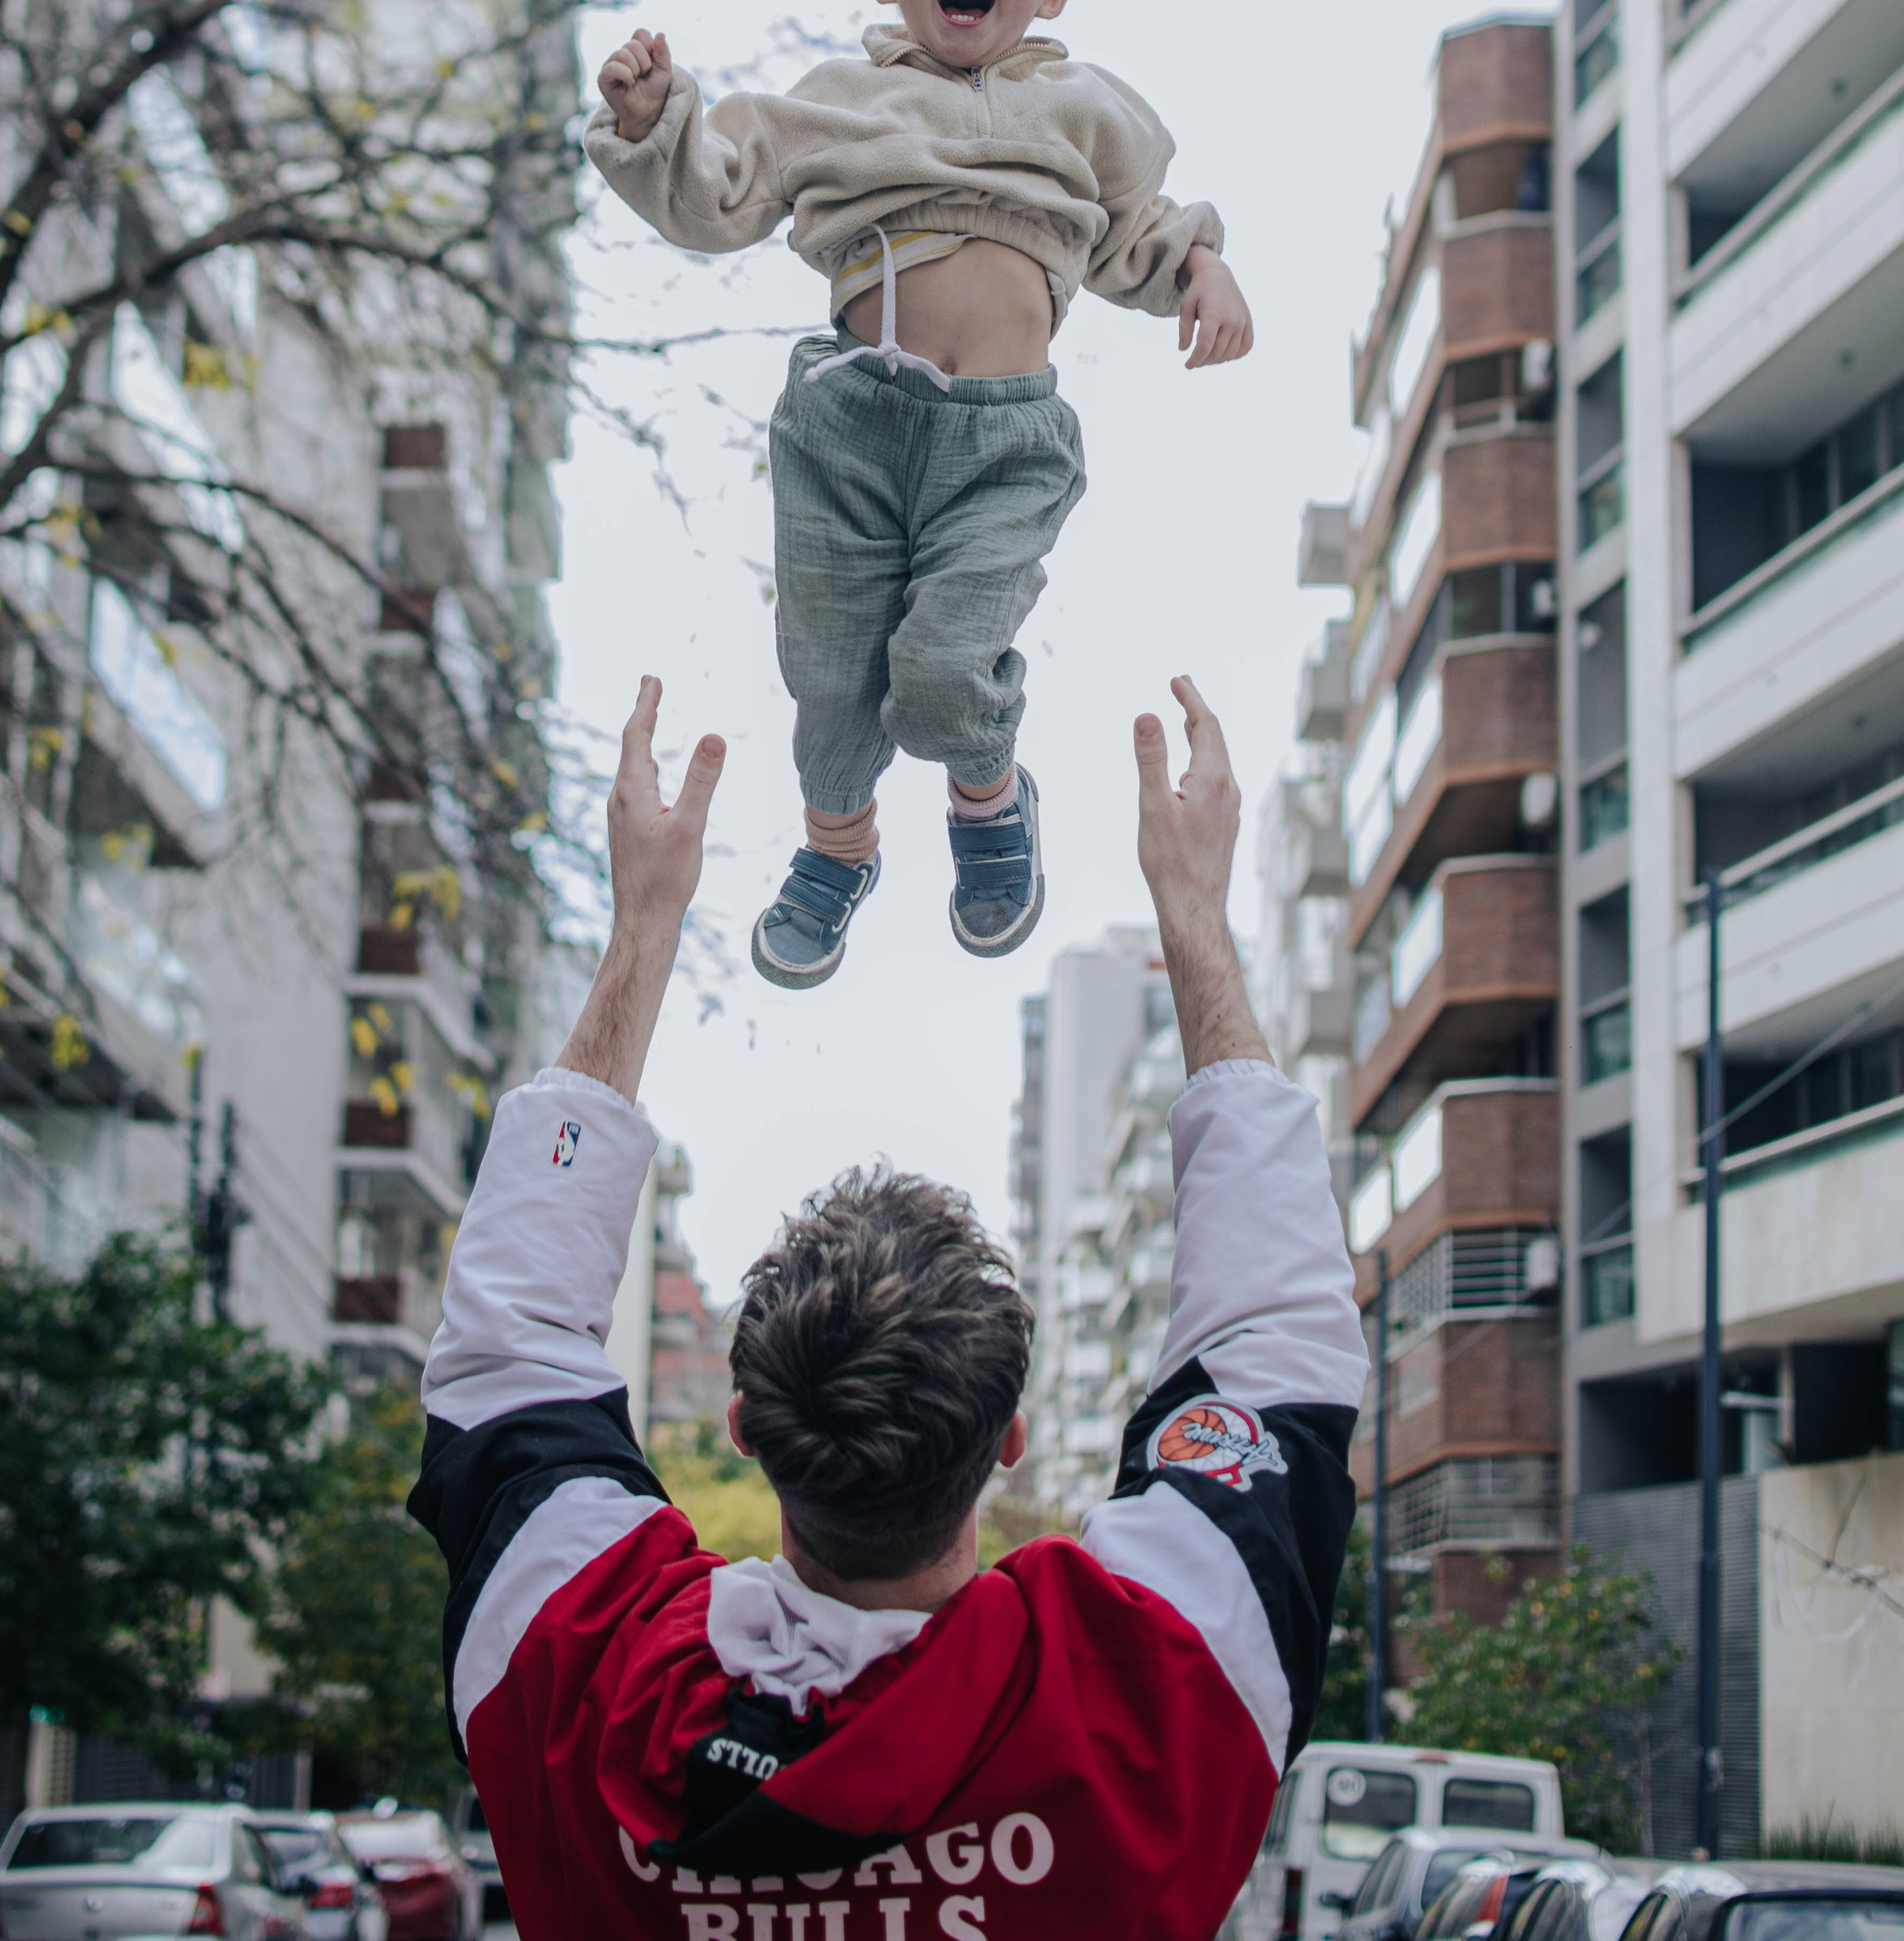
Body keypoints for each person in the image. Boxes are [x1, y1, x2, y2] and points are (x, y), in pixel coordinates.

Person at [410, 673, 1365, 1941]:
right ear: (1007, 1438)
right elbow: (1276, 1339)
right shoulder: (1151, 1687)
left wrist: (642, 923)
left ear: (746, 1428)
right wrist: (1195, 910)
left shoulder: (584, 1676)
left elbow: (506, 1352)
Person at [586, 0, 1254, 989]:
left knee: (946, 668)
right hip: (848, 424)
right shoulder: (834, 104)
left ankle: (988, 800)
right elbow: (716, 195)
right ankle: (837, 845)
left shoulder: (1083, 112)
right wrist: (655, 125)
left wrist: (1204, 267)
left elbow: (1141, 228)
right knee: (830, 668)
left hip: (1003, 442)